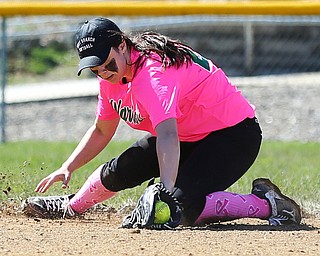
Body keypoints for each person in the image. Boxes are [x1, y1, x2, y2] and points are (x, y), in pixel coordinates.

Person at [23, 17, 301, 227]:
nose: (103, 72)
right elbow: (101, 129)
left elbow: (167, 135)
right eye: (95, 68)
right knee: (121, 169)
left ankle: (270, 205)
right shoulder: (111, 78)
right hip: (189, 134)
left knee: (180, 208)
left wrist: (166, 191)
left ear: (122, 45)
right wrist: (68, 166)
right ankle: (71, 207)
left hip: (233, 135)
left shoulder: (152, 74)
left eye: (107, 64)